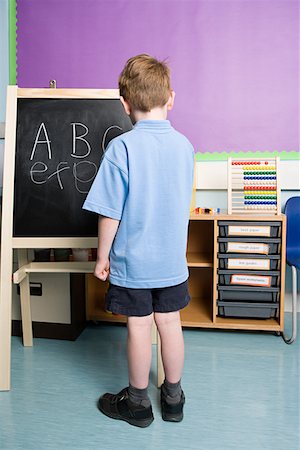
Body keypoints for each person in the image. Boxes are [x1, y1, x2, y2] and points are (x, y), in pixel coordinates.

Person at [83, 54, 194, 428]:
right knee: (170, 323)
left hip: (134, 262)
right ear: (171, 98)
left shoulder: (122, 148)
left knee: (138, 327)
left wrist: (102, 257)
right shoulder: (185, 147)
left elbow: (109, 211)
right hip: (172, 261)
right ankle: (174, 398)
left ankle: (137, 403)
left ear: (125, 103)